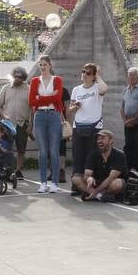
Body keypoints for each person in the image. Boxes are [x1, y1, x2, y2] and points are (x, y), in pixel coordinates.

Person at [68, 63, 107, 195]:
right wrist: (75, 107)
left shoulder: (97, 88)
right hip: (78, 127)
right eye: (83, 71)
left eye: (89, 73)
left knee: (91, 157)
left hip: (94, 128)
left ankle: (89, 184)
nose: (85, 74)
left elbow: (104, 89)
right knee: (78, 156)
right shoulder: (76, 89)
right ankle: (76, 184)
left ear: (93, 76)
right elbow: (70, 109)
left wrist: (98, 76)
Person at [29, 55, 65, 193]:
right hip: (40, 116)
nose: (42, 67)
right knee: (43, 151)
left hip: (54, 115)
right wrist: (47, 99)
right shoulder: (34, 81)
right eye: (40, 65)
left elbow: (58, 97)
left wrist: (40, 98)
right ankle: (43, 182)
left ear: (50, 65)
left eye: (45, 64)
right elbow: (32, 101)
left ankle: (54, 183)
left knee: (53, 150)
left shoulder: (57, 80)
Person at [0, 66, 31, 179]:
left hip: (21, 123)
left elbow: (33, 108)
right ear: (13, 76)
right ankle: (5, 169)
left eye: (20, 77)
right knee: (5, 148)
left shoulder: (29, 89)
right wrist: (2, 116)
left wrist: (31, 124)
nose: (18, 79)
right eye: (16, 76)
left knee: (21, 149)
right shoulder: (6, 88)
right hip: (7, 124)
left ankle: (18, 170)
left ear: (24, 78)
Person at [72, 128, 127, 201]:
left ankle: (93, 194)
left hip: (110, 183)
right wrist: (89, 178)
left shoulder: (119, 155)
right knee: (76, 178)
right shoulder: (93, 154)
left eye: (103, 138)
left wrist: (95, 191)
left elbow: (110, 178)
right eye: (98, 139)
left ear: (111, 141)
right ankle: (101, 196)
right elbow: (87, 174)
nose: (99, 141)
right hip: (97, 182)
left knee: (118, 183)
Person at [120, 67, 138, 169]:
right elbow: (122, 107)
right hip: (128, 123)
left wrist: (135, 118)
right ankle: (127, 167)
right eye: (129, 74)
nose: (130, 76)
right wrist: (125, 121)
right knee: (128, 145)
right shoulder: (126, 90)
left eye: (133, 74)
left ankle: (135, 167)